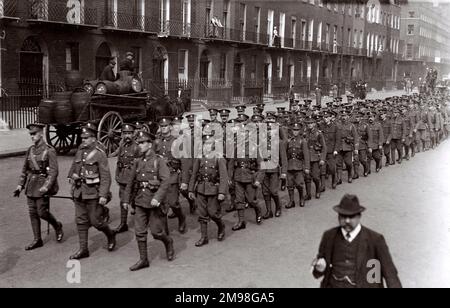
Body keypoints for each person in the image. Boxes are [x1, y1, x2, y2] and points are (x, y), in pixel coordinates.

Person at [312, 194, 402, 288]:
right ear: (338, 216)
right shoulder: (329, 236)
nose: (347, 221)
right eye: (343, 216)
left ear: (359, 216)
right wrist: (319, 269)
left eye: (351, 217)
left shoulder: (375, 240)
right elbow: (317, 272)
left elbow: (390, 275)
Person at [122, 131, 173, 271]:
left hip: (153, 202)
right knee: (139, 231)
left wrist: (157, 198)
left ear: (149, 144)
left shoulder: (159, 161)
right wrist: (126, 200)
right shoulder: (137, 161)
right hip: (140, 201)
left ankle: (168, 242)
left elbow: (166, 181)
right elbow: (131, 182)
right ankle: (143, 259)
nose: (139, 145)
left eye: (142, 143)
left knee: (157, 232)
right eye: (138, 143)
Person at [68, 124, 116, 260]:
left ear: (94, 138)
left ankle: (110, 234)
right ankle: (83, 249)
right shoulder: (79, 151)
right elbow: (73, 167)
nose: (83, 140)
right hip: (79, 191)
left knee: (96, 221)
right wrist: (72, 176)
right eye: (82, 137)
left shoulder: (99, 154)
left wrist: (103, 195)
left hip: (93, 193)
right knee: (81, 220)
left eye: (87, 138)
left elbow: (106, 177)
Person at [14, 123, 64, 251]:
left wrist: (46, 187)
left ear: (41, 133)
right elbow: (25, 169)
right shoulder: (30, 150)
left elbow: (53, 172)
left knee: (41, 212)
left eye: (34, 134)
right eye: (30, 134)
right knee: (32, 212)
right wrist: (20, 185)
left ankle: (57, 225)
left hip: (42, 185)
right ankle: (37, 239)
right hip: (31, 186)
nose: (32, 136)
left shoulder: (49, 150)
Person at [188, 126, 228, 247]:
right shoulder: (199, 158)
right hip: (200, 189)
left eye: (209, 144)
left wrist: (222, 192)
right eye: (204, 144)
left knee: (212, 213)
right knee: (202, 214)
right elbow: (194, 174)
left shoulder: (219, 158)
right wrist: (191, 189)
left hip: (213, 189)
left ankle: (221, 225)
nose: (206, 146)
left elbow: (224, 177)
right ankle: (204, 237)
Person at [154, 117, 190, 234]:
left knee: (173, 202)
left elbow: (184, 162)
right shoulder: (157, 141)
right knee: (162, 204)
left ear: (170, 127)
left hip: (172, 175)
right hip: (160, 177)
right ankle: (165, 230)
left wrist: (184, 181)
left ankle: (181, 217)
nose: (164, 128)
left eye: (166, 126)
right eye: (162, 126)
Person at [110, 124, 141, 234]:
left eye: (129, 133)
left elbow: (140, 165)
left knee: (137, 200)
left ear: (133, 134)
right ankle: (123, 224)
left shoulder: (137, 147)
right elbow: (119, 162)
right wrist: (117, 176)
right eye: (125, 133)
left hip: (134, 178)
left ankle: (140, 224)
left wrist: (137, 180)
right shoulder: (122, 145)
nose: (127, 136)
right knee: (123, 200)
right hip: (123, 177)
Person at [285, 122, 310, 208]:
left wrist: (307, 167)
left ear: (300, 131)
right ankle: (291, 201)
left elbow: (306, 155)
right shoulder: (288, 141)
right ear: (291, 131)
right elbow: (284, 154)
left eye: (297, 130)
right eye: (294, 130)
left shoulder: (303, 141)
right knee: (290, 185)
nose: (295, 132)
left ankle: (301, 198)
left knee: (299, 184)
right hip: (289, 166)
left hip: (299, 166)